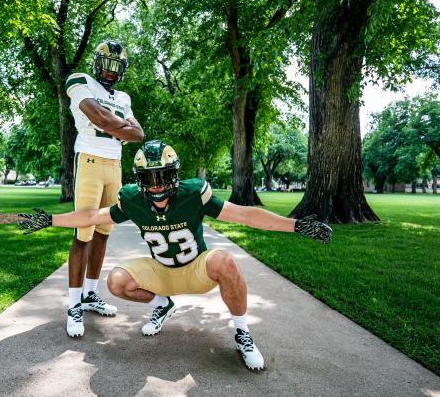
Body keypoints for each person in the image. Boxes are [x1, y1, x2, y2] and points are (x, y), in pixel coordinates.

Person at [19, 140, 332, 370]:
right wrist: (51, 220)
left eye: (162, 176)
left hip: (197, 270)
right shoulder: (132, 200)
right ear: (139, 179)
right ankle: (162, 303)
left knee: (224, 260)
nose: (155, 187)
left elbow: (245, 216)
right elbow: (91, 217)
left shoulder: (193, 193)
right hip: (162, 272)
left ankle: (242, 332)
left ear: (174, 174)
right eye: (148, 178)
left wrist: (295, 226)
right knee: (116, 281)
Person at [62, 40, 144, 338]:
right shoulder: (79, 79)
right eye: (106, 64)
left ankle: (90, 294)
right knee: (83, 232)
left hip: (114, 166)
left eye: (116, 66)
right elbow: (95, 115)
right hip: (90, 159)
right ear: (97, 62)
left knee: (103, 233)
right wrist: (116, 125)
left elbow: (138, 133)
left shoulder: (123, 96)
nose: (110, 71)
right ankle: (73, 305)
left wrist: (110, 124)